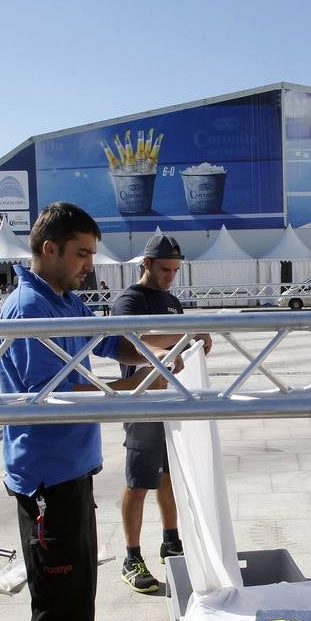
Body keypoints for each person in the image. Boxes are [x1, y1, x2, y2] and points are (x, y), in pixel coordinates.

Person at [0, 202, 180, 621]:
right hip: (44, 480)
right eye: (81, 254)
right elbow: (50, 394)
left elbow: (108, 344)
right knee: (58, 598)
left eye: (91, 254)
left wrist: (161, 351)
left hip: (72, 472)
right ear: (49, 248)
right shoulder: (29, 308)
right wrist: (130, 388)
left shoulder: (64, 301)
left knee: (79, 592)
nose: (89, 265)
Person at [111, 234, 211, 594]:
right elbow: (128, 343)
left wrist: (194, 345)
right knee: (139, 481)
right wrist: (179, 337)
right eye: (165, 269)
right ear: (147, 264)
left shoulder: (172, 302)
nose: (171, 276)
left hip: (171, 400)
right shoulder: (130, 300)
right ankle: (131, 556)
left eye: (175, 270)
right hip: (142, 401)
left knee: (170, 476)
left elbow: (176, 343)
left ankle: (171, 541)